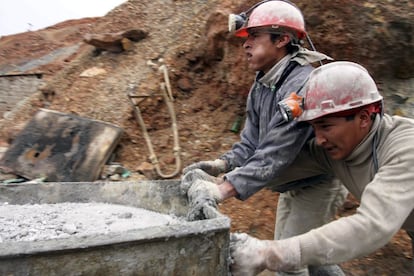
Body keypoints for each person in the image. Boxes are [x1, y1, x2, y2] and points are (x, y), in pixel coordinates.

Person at [182, 1, 347, 275]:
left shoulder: (303, 86)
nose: (245, 44)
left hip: (319, 184)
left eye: (254, 36)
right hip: (294, 183)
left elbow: (274, 153)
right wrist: (219, 165)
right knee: (313, 257)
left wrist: (221, 189)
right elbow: (251, 144)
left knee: (288, 260)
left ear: (282, 39)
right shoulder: (262, 85)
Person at [228, 61, 414, 275]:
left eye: (325, 126)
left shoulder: (406, 147)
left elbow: (372, 226)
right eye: (314, 128)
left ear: (363, 118)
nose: (319, 139)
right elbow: (275, 169)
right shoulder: (335, 150)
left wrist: (269, 253)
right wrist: (222, 184)